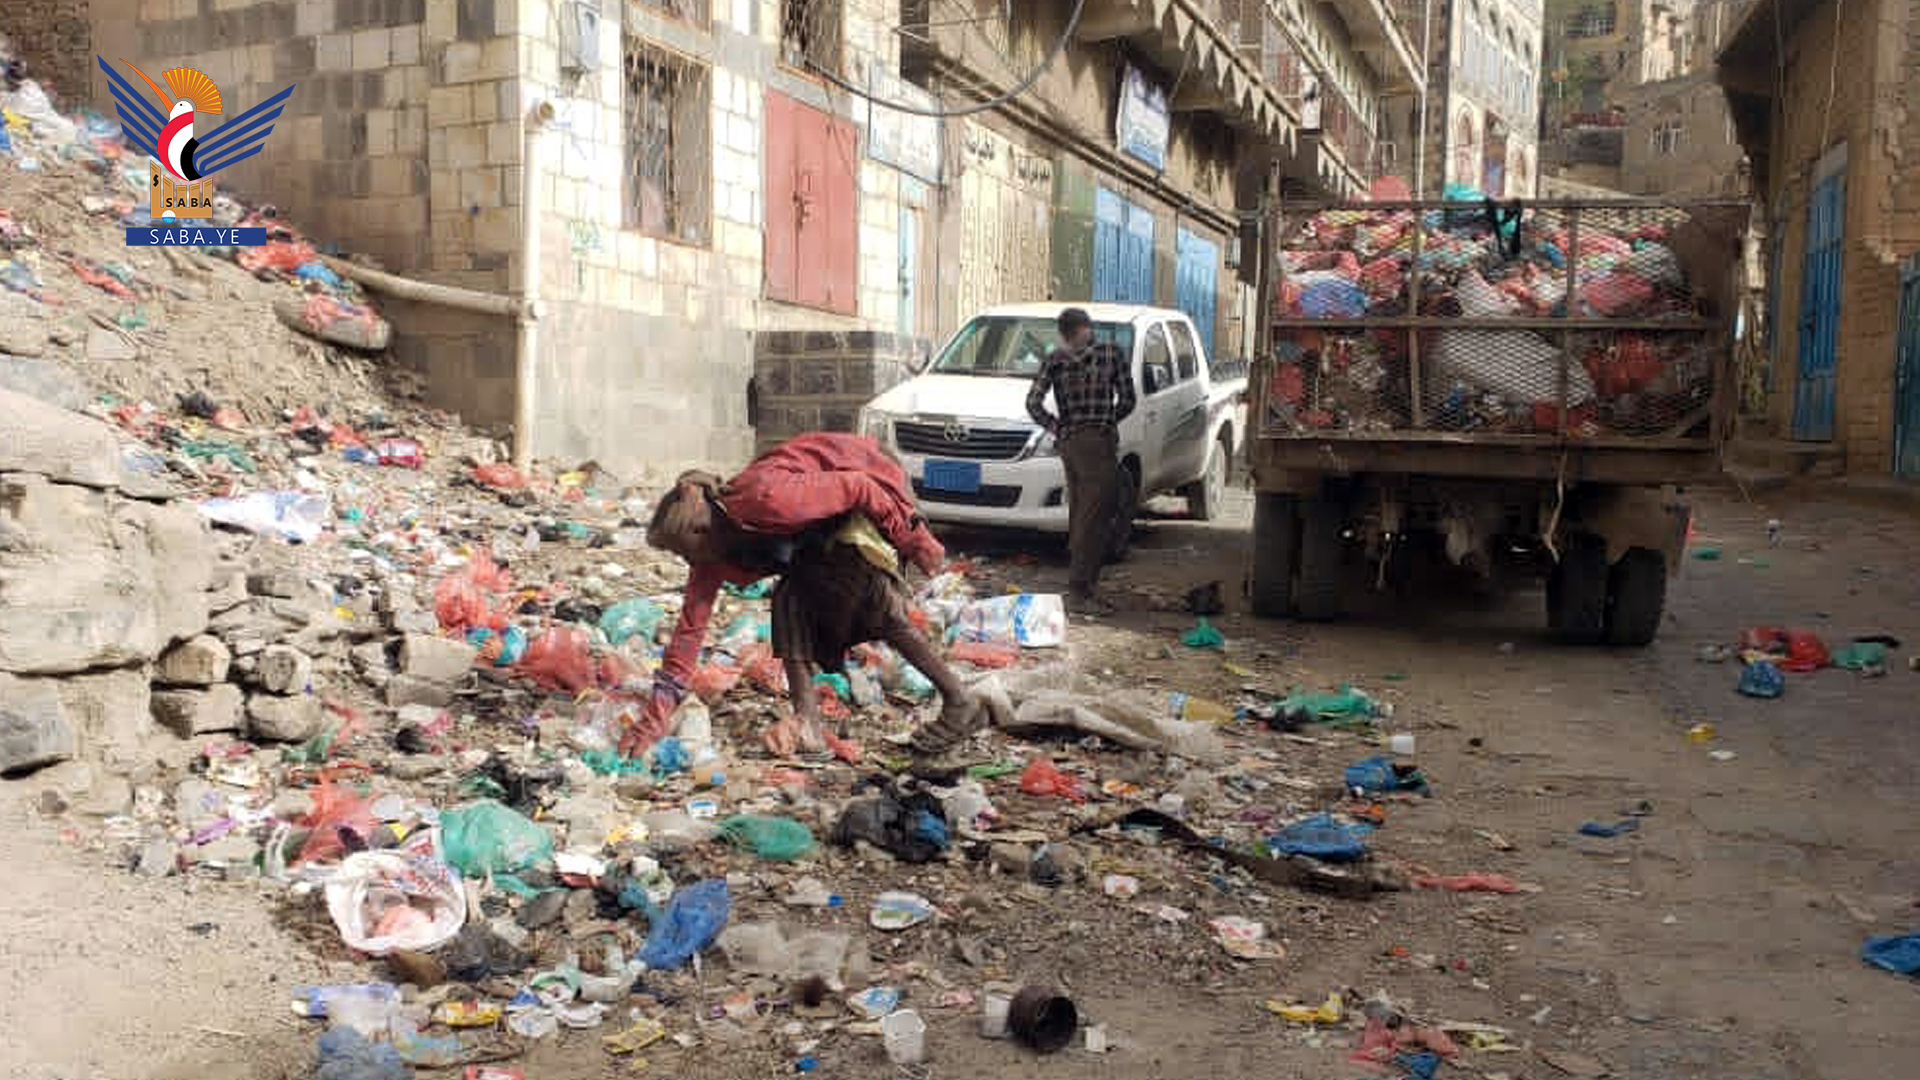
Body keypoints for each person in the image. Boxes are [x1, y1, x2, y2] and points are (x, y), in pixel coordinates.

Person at [622, 432, 985, 760]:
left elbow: (860, 486)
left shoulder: (767, 498)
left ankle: (959, 699)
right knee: (790, 601)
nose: (686, 561)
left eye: (683, 550)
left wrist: (916, 539)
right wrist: (653, 722)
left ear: (702, 531)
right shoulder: (712, 556)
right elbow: (687, 637)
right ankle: (809, 723)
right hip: (823, 531)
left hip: (876, 487)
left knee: (867, 593)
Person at [1025, 306, 1137, 612]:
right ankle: (1080, 591)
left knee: (1080, 512)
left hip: (1070, 443)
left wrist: (1058, 428)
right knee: (1097, 516)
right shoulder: (1112, 353)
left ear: (1063, 333)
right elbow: (1129, 399)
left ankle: (1082, 584)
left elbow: (1033, 403)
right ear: (1088, 326)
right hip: (1098, 443)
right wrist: (1107, 420)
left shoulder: (1055, 360)